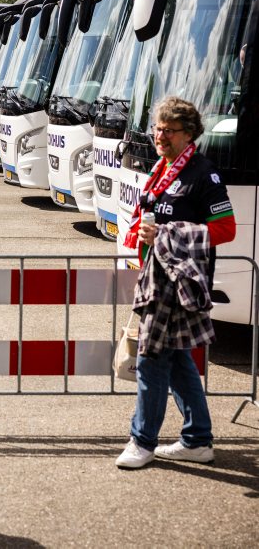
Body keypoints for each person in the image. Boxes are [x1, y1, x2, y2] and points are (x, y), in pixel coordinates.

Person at [116, 97, 237, 469]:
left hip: (180, 283)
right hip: (157, 278)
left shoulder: (203, 173)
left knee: (151, 359)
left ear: (189, 134)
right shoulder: (161, 167)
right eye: (158, 128)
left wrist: (167, 234)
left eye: (169, 130)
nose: (160, 136)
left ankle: (142, 442)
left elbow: (226, 230)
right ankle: (197, 440)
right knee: (179, 360)